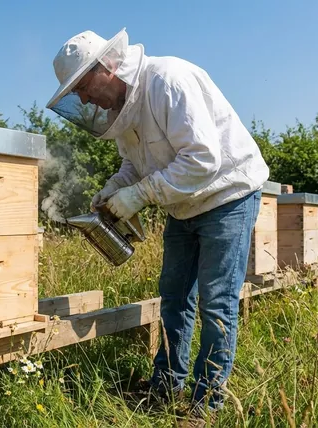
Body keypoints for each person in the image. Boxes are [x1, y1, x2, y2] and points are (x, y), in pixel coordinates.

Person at [45, 28, 270, 425]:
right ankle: (165, 387)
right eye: (74, 91)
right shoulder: (123, 110)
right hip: (183, 204)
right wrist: (115, 187)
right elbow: (135, 163)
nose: (81, 98)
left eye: (82, 86)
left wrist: (139, 195)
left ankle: (208, 404)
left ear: (108, 66)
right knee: (173, 295)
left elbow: (202, 159)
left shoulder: (167, 80)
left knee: (216, 302)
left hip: (227, 196)